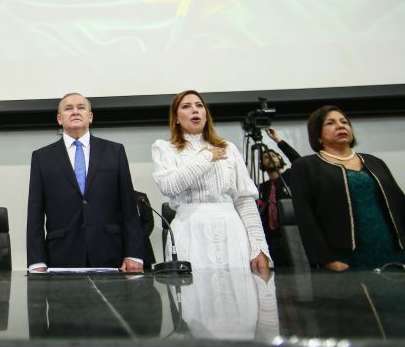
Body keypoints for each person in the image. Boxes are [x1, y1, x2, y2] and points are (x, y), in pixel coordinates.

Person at [151, 89, 270, 273]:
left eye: (199, 106)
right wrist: (205, 157)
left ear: (206, 114)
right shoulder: (164, 148)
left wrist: (259, 247)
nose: (195, 110)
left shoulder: (228, 148)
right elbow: (169, 186)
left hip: (231, 231)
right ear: (176, 117)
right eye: (186, 106)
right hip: (190, 232)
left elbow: (245, 201)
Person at [27, 93, 144, 272]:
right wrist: (37, 261)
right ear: (59, 119)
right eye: (68, 108)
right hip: (61, 257)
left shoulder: (115, 151)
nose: (75, 112)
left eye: (81, 108)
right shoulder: (41, 157)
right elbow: (35, 213)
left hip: (110, 254)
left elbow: (128, 207)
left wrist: (133, 253)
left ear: (90, 117)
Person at [290, 105, 405, 271]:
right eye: (330, 123)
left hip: (393, 251)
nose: (340, 126)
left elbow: (400, 204)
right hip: (345, 258)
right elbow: (306, 217)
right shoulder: (306, 166)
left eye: (344, 122)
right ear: (318, 135)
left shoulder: (374, 162)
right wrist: (325, 259)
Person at [256, 127, 301, 267]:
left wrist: (278, 141)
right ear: (261, 164)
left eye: (273, 156)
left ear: (280, 159)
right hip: (273, 239)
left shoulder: (290, 176)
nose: (270, 158)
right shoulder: (261, 187)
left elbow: (299, 161)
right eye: (265, 157)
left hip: (295, 235)